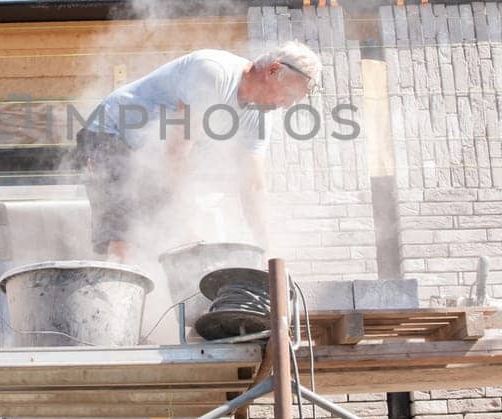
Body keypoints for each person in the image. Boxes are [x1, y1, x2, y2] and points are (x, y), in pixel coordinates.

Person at [74, 42, 321, 261]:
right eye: (288, 95)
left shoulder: (259, 118)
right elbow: (176, 152)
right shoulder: (212, 72)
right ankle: (117, 302)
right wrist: (187, 218)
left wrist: (267, 250)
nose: (286, 105)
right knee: (125, 232)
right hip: (109, 133)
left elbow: (253, 185)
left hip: (152, 156)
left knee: (164, 238)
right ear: (273, 70)